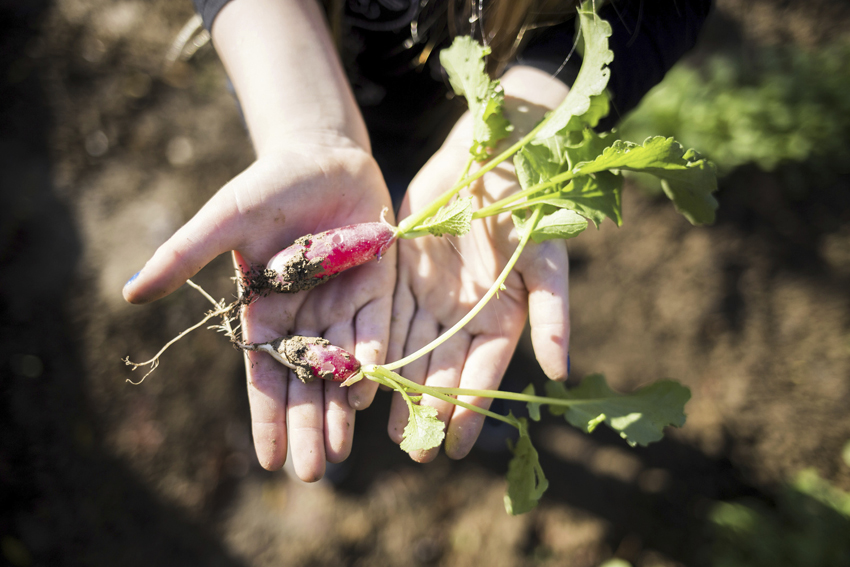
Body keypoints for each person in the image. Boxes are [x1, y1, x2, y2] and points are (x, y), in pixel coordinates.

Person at [123, 0, 712, 481]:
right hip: (299, 84)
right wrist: (305, 127)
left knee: (469, 294)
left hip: (473, 129)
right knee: (376, 298)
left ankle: (468, 387)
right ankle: (334, 381)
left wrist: (518, 131)